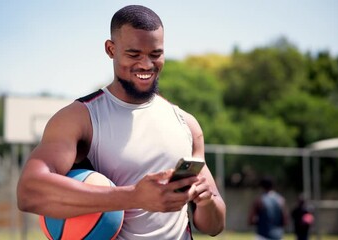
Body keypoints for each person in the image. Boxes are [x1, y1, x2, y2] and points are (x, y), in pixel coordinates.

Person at [16, 4, 226, 240]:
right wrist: (134, 196)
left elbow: (214, 227)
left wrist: (206, 201)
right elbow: (29, 191)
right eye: (134, 54)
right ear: (111, 49)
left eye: (155, 54)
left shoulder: (187, 124)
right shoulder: (80, 117)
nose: (146, 64)